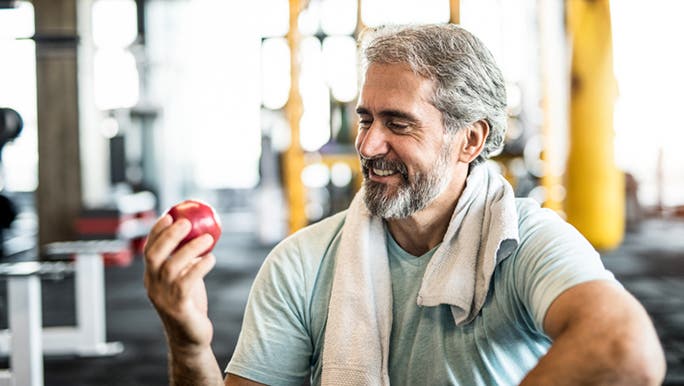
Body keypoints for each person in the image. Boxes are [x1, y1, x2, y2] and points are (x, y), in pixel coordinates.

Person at [143, 24, 666, 386]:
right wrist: (188, 343)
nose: (368, 145)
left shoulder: (526, 242)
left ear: (469, 141)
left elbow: (628, 350)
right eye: (366, 118)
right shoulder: (300, 263)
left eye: (398, 123)